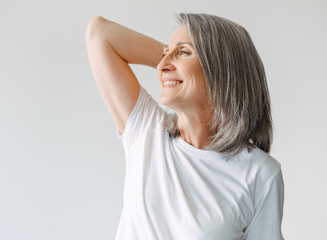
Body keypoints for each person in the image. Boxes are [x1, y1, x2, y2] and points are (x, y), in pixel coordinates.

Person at [85, 13, 284, 240]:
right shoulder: (146, 130)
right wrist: (178, 60)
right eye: (164, 54)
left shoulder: (260, 173)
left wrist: (211, 66)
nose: (161, 65)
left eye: (183, 52)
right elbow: (99, 33)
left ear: (220, 70)